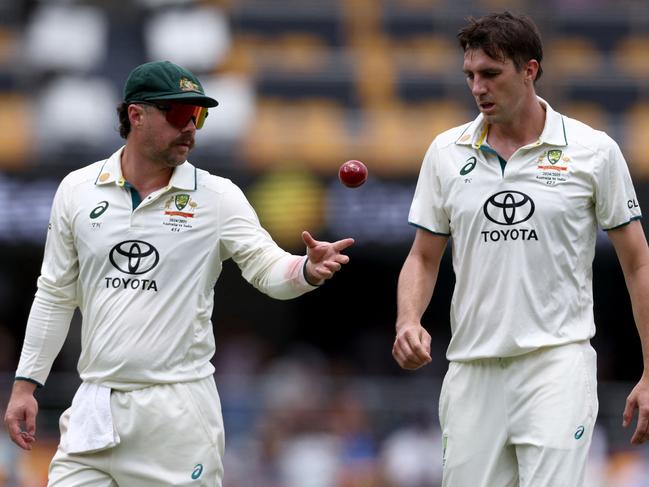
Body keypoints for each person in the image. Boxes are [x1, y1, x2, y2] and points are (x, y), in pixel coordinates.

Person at [3, 60, 354, 486]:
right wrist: (26, 385)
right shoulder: (77, 190)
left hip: (178, 413)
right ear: (136, 115)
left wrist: (306, 269)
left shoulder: (217, 196)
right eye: (178, 114)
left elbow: (267, 268)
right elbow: (55, 294)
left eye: (199, 115)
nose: (191, 127)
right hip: (95, 405)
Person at [392, 11, 649, 487]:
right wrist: (409, 320)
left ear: (529, 70)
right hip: (471, 369)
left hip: (557, 364)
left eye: (491, 74)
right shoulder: (446, 152)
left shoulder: (593, 151)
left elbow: (637, 263)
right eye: (470, 76)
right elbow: (422, 257)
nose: (478, 88)